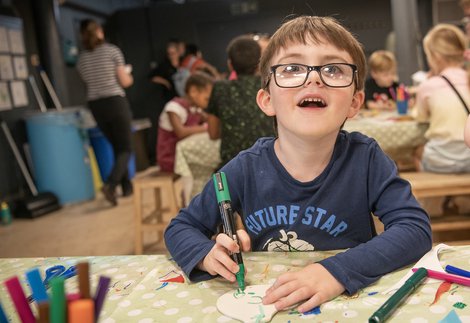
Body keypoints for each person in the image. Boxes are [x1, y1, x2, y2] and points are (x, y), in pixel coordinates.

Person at [164, 16, 432, 313]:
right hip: (269, 304)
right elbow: (181, 227)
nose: (313, 78)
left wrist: (334, 271)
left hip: (349, 305)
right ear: (267, 100)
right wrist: (205, 253)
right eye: (292, 68)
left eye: (333, 69)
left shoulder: (366, 158)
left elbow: (414, 229)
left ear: (355, 102)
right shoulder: (244, 168)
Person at [77, 19, 134, 206]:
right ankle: (110, 184)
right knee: (126, 148)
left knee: (118, 148)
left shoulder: (82, 59)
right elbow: (125, 82)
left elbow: (89, 83)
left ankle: (127, 188)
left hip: (96, 106)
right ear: (99, 32)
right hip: (115, 102)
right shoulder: (112, 51)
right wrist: (128, 73)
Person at [207, 35, 276, 168]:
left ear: (230, 64)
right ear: (260, 62)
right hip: (272, 163)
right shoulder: (270, 85)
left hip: (233, 166)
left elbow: (213, 133)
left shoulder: (220, 88)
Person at [414, 24, 470, 173]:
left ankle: (432, 196)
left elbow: (420, 118)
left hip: (440, 160)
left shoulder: (428, 85)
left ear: (436, 57)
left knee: (416, 151)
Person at [157, 72, 214, 172]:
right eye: (207, 99)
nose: (209, 103)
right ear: (193, 91)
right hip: (171, 158)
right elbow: (181, 132)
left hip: (186, 156)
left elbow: (210, 121)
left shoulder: (196, 109)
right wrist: (205, 128)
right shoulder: (173, 108)